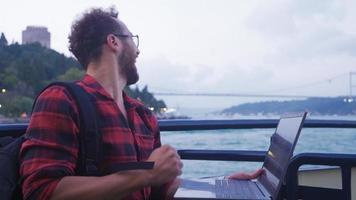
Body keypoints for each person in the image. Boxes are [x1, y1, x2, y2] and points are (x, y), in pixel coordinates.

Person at [19, 7, 262, 200]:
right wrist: (145, 174)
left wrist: (220, 188)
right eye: (133, 40)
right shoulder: (62, 99)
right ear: (114, 42)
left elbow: (160, 189)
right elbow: (41, 191)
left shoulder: (143, 116)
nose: (138, 51)